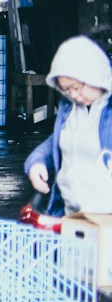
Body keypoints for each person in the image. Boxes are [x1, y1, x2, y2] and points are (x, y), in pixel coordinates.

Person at [26, 35, 112, 215]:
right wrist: (37, 161)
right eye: (65, 89)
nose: (72, 94)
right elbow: (58, 140)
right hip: (71, 213)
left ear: (96, 76)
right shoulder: (69, 107)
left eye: (76, 87)